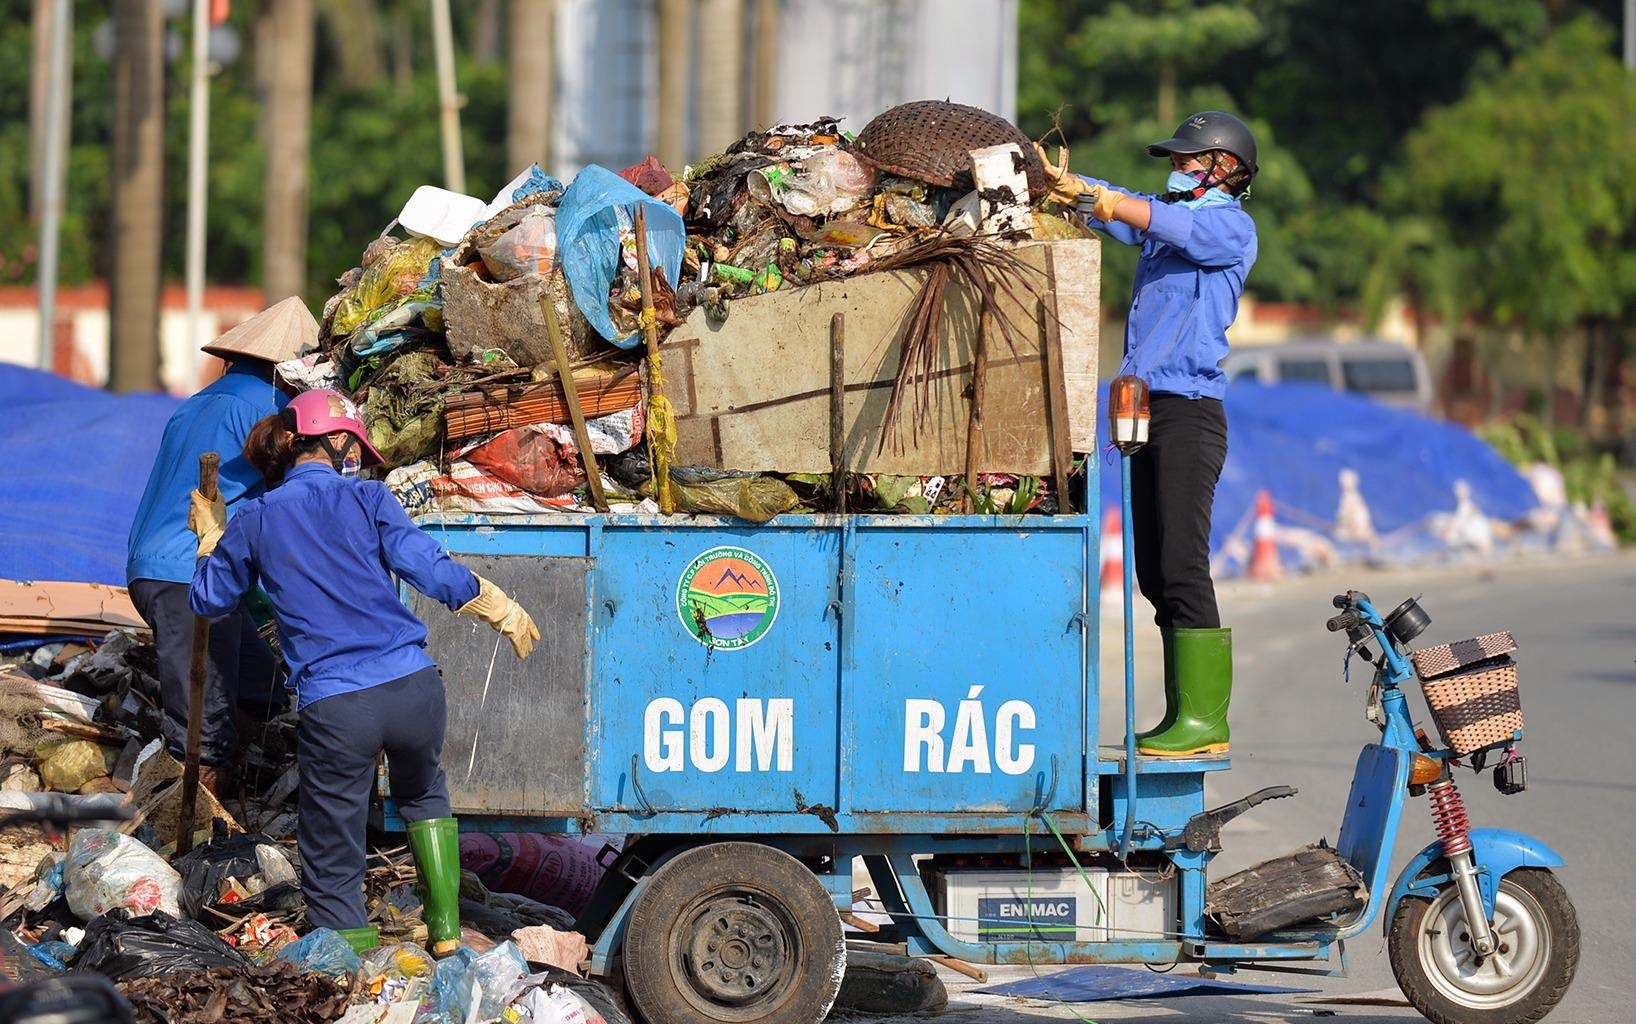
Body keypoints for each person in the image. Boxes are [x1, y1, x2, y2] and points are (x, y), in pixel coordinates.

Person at [186, 389, 540, 954]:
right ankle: (446, 934)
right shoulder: (371, 497)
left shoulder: (255, 518)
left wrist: (211, 538)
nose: (354, 458)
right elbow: (428, 567)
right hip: (415, 689)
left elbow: (208, 600)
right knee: (424, 796)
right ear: (331, 443)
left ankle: (348, 965)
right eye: (352, 446)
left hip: (339, 706)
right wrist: (496, 605)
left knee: (333, 831)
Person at [1041, 110, 1259, 758]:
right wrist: (1071, 186)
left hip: (1189, 412)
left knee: (1183, 567)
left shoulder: (1228, 227)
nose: (1177, 166)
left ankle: (1206, 721)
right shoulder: (1170, 222)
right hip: (1145, 410)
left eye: (1188, 158)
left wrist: (1111, 201)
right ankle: (1179, 715)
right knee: (1153, 574)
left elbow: (1155, 218)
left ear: (1225, 167)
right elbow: (1124, 211)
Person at [126, 297, 316, 794]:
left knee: (260, 687)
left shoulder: (196, 403)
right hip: (187, 573)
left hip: (157, 567)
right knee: (201, 728)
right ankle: (190, 816)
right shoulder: (273, 410)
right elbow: (295, 491)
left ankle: (222, 792)